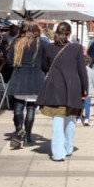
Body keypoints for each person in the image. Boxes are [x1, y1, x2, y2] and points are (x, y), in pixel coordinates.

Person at [37, 22, 88, 162]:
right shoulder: (77, 48)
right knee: (70, 119)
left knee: (57, 120)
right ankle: (68, 148)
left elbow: (43, 66)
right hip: (73, 87)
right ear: (69, 34)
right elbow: (82, 70)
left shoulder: (48, 47)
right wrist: (85, 89)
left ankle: (58, 153)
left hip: (55, 87)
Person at [5, 21, 45, 150]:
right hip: (35, 79)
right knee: (31, 108)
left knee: (18, 106)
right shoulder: (41, 43)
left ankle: (18, 130)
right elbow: (46, 62)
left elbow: (10, 61)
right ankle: (28, 138)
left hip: (20, 77)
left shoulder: (16, 43)